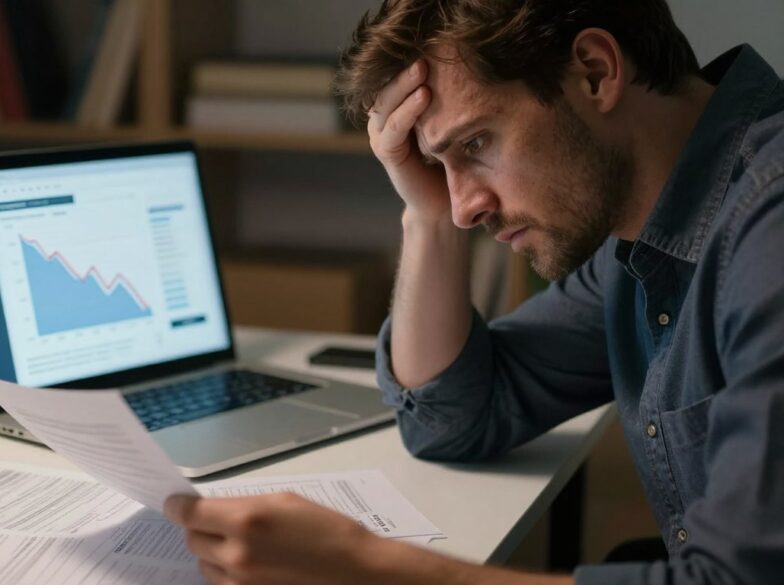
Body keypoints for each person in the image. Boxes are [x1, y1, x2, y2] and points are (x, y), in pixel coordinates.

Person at [163, 0, 784, 583]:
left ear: (595, 72)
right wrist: (426, 217)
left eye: (477, 143)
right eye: (440, 165)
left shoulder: (767, 225)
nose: (465, 208)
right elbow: (456, 415)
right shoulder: (648, 241)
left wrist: (364, 568)